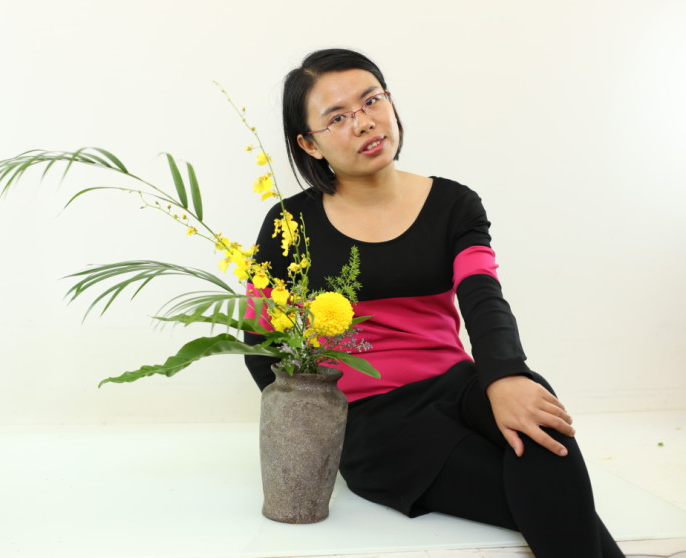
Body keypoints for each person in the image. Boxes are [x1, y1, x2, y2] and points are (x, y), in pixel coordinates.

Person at [243, 48, 625, 558]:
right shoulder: (289, 224)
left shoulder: (453, 203)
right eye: (337, 117)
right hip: (374, 421)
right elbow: (260, 343)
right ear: (309, 143)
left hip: (461, 386)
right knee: (553, 500)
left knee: (534, 404)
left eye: (371, 100)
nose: (364, 122)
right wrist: (317, 424)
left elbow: (482, 295)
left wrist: (505, 376)